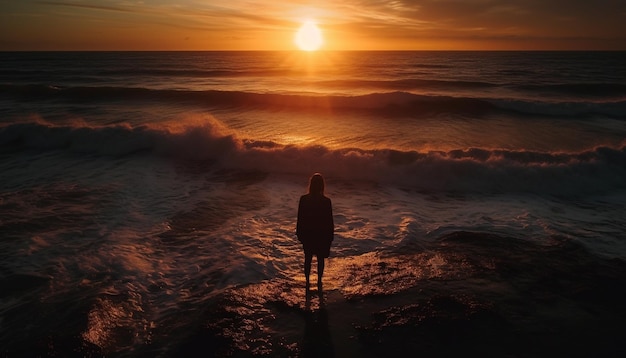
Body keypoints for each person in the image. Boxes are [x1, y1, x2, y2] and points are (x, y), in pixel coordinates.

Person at [297, 173, 334, 292]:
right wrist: (330, 237)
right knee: (320, 259)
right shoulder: (326, 201)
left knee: (307, 258)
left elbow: (300, 218)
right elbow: (329, 221)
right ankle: (319, 282)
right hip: (321, 234)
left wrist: (299, 233)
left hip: (308, 233)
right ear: (322, 186)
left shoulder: (304, 199)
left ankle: (307, 282)